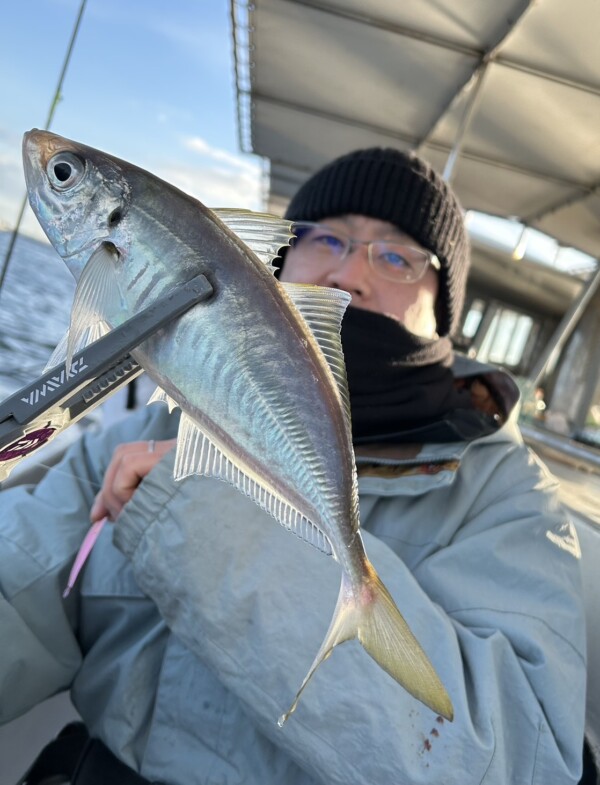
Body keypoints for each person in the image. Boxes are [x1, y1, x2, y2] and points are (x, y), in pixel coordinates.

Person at [0, 147, 587, 784]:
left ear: (445, 307)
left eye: (396, 255)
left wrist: (212, 517)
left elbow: (519, 765)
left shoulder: (509, 499)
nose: (347, 275)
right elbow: (18, 574)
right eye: (324, 238)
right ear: (271, 265)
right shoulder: (152, 422)